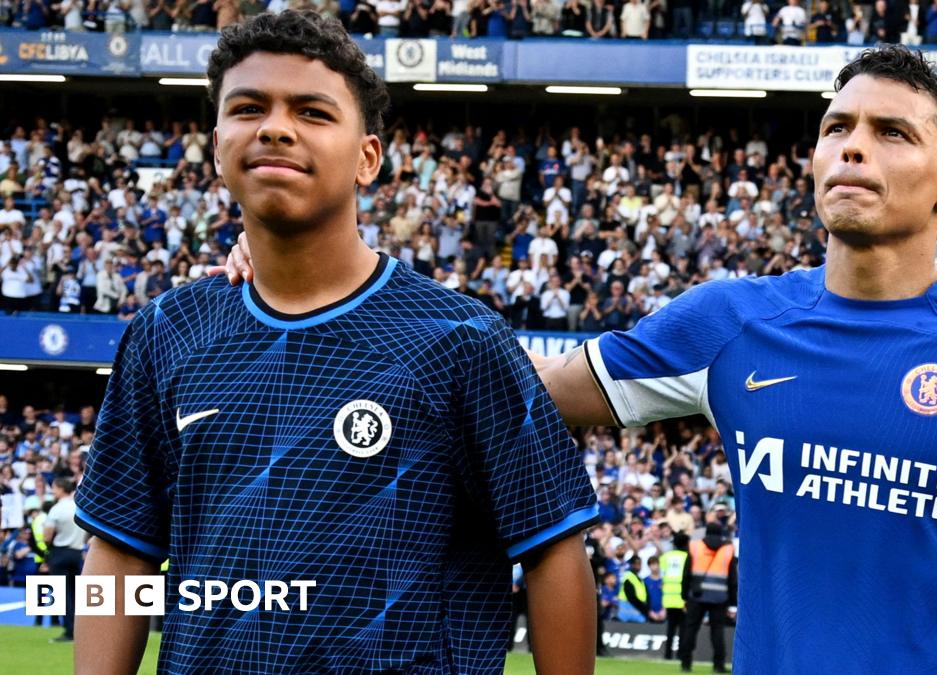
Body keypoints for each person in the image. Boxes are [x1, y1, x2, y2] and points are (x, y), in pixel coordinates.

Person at [220, 46, 937, 673]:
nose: (852, 145)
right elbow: (513, 389)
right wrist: (318, 285)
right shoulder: (732, 322)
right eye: (836, 127)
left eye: (892, 132)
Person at [76, 11, 598, 675]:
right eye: (247, 107)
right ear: (215, 147)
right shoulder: (165, 331)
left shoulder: (461, 340)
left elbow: (552, 548)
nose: (274, 126)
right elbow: (121, 551)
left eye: (313, 112)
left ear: (367, 158)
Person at [679, 522, 736, 673]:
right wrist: (732, 603)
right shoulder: (728, 549)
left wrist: (684, 595)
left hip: (696, 596)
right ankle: (718, 665)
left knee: (690, 629)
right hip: (719, 597)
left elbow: (686, 574)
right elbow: (733, 579)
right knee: (717, 631)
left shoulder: (695, 546)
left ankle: (686, 663)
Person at [43, 477, 85, 642]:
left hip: (60, 552)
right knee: (77, 594)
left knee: (63, 594)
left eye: (54, 488)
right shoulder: (78, 505)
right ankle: (81, 631)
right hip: (77, 552)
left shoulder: (56, 509)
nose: (53, 491)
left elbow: (47, 536)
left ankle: (69, 630)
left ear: (61, 489)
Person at [660, 531, 689, 660]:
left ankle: (667, 655)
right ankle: (681, 655)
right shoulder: (688, 557)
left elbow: (662, 575)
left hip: (668, 598)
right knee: (683, 628)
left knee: (670, 628)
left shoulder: (666, 557)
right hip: (682, 598)